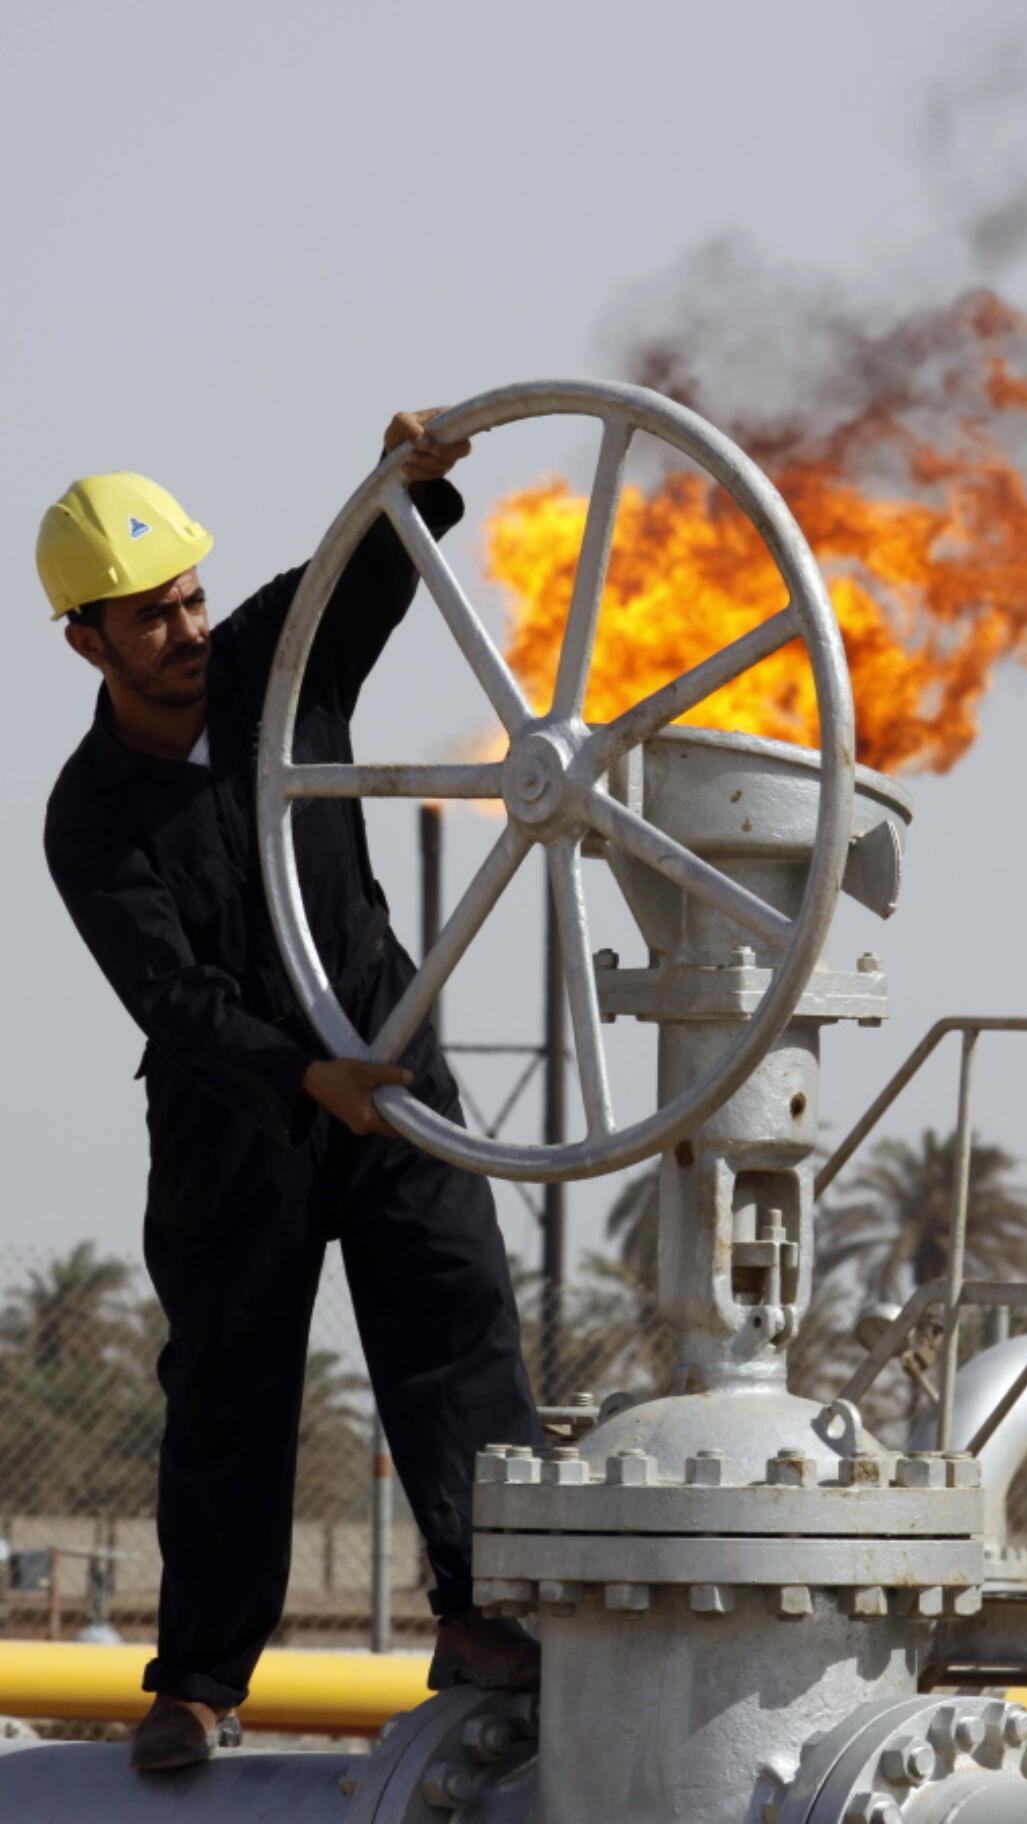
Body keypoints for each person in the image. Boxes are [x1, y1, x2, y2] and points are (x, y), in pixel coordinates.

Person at [40, 412, 541, 1773]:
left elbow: (366, 562)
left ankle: (484, 1612)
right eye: (148, 618)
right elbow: (172, 999)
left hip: (388, 1059)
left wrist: (409, 475)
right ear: (85, 641)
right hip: (235, 1119)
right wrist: (299, 1074)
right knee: (228, 1390)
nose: (186, 630)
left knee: (456, 1327)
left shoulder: (274, 658)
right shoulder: (87, 815)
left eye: (192, 596)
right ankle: (199, 1682)